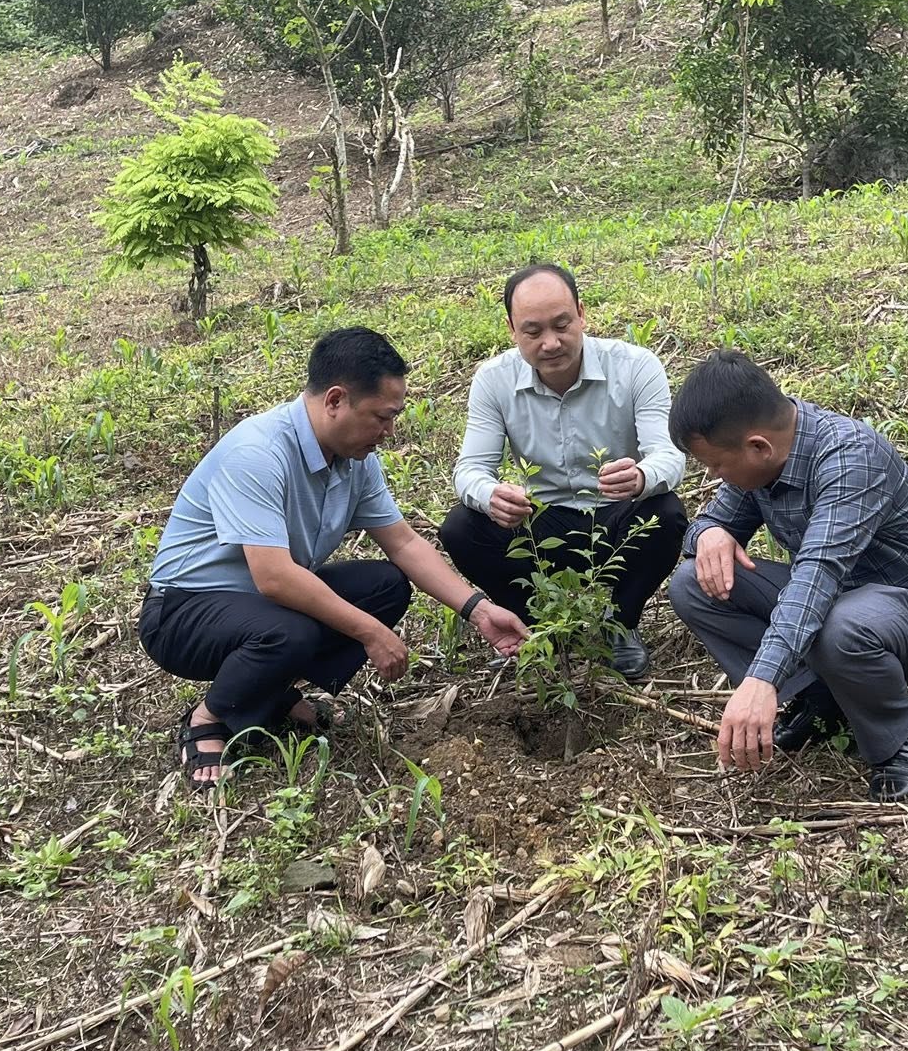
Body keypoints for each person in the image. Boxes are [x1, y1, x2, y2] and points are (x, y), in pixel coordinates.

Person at [138, 327, 528, 790]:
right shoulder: (257, 453)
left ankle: (271, 693)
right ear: (335, 400)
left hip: (258, 610)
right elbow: (275, 579)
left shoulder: (356, 459)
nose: (389, 432)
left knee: (385, 585)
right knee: (291, 630)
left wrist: (478, 609)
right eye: (382, 417)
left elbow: (402, 543)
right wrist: (371, 633)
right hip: (183, 611)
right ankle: (210, 717)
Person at [666, 350, 908, 802]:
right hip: (842, 605)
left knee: (838, 624)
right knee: (694, 584)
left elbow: (817, 576)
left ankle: (901, 732)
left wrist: (762, 681)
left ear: (757, 446)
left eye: (715, 465)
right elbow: (707, 526)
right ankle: (823, 700)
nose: (714, 476)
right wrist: (709, 531)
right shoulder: (764, 459)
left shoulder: (850, 456)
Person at [439, 264, 688, 680]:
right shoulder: (494, 381)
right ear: (512, 329)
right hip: (541, 522)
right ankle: (535, 626)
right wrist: (490, 494)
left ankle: (618, 624)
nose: (551, 343)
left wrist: (642, 476)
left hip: (614, 515)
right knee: (462, 527)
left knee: (665, 512)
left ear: (582, 314)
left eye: (562, 325)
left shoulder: (635, 367)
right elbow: (469, 469)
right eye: (533, 332)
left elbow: (669, 455)